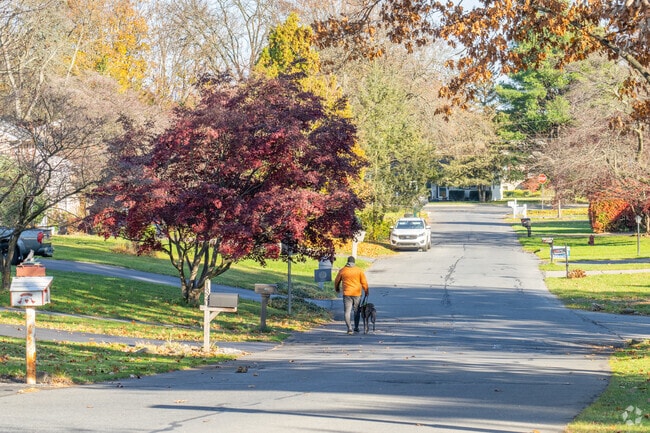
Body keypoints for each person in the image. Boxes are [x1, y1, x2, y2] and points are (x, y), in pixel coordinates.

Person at [334, 256, 369, 334]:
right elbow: (364, 282)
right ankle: (356, 327)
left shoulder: (343, 270)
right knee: (357, 311)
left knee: (347, 311)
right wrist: (366, 291)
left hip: (347, 294)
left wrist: (337, 288)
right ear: (354, 262)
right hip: (357, 294)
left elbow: (337, 281)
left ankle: (349, 328)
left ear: (347, 262)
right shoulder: (359, 271)